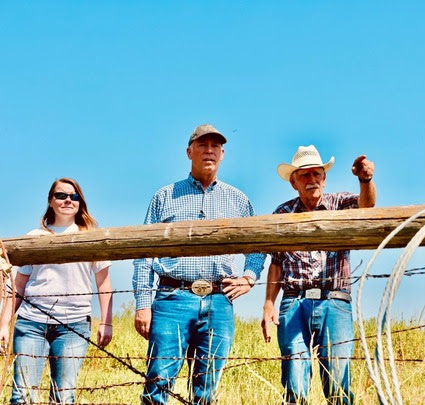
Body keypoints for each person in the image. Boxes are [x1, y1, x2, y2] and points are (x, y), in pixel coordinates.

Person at [133, 123, 266, 405]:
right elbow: (144, 252)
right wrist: (143, 304)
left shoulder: (239, 200)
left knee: (207, 388)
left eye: (215, 146)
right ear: (189, 152)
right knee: (159, 382)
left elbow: (257, 246)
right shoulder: (165, 196)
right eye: (203, 145)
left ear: (222, 154)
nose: (209, 151)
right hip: (172, 299)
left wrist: (249, 277)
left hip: (219, 300)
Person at [261, 145, 376, 404]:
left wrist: (365, 179)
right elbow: (276, 262)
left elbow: (366, 207)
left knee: (338, 380)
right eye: (304, 175)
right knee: (294, 378)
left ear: (324, 178)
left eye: (317, 174)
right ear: (294, 182)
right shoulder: (282, 213)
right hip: (294, 300)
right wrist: (269, 303)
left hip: (334, 299)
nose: (312, 180)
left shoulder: (340, 203)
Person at [0, 177, 113, 404]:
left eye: (74, 196)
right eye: (61, 195)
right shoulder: (34, 237)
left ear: (80, 202)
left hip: (74, 325)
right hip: (31, 323)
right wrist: (3, 324)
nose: (67, 200)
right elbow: (19, 285)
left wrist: (106, 322)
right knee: (22, 395)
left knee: (63, 396)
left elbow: (104, 283)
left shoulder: (91, 235)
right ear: (51, 201)